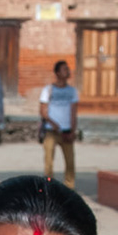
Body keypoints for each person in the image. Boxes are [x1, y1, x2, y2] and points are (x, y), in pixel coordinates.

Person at [39, 60, 78, 189]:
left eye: (68, 69)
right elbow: (42, 111)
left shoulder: (72, 91)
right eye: (64, 69)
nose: (68, 72)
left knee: (70, 162)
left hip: (66, 131)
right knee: (49, 163)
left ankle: (69, 187)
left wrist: (73, 130)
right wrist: (52, 123)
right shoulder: (48, 90)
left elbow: (73, 112)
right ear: (57, 73)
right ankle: (49, 187)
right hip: (51, 131)